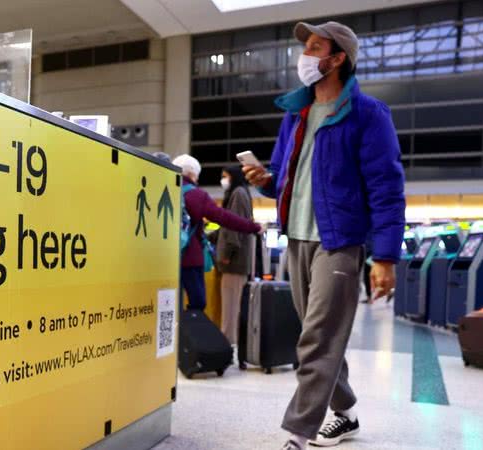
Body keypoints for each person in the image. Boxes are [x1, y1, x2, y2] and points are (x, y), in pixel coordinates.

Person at [242, 22, 405, 449]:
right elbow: (284, 177)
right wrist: (265, 179)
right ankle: (346, 412)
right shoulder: (295, 115)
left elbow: (387, 189)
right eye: (306, 48)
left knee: (317, 338)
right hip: (295, 238)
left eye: (316, 48)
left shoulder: (368, 114)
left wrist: (385, 258)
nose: (306, 55)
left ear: (337, 60)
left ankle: (297, 433)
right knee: (319, 336)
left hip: (339, 241)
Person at [173, 155, 262, 311]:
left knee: (169, 303)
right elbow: (224, 218)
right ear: (194, 174)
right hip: (190, 257)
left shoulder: (164, 189)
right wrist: (253, 227)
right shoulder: (197, 195)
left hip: (164, 259)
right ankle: (188, 332)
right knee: (197, 303)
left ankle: (173, 333)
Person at [216, 166, 255, 345]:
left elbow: (234, 226)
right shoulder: (241, 193)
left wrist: (227, 254)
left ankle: (228, 343)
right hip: (237, 260)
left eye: (225, 176)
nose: (223, 180)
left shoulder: (238, 194)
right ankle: (231, 342)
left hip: (234, 260)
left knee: (231, 307)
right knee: (233, 306)